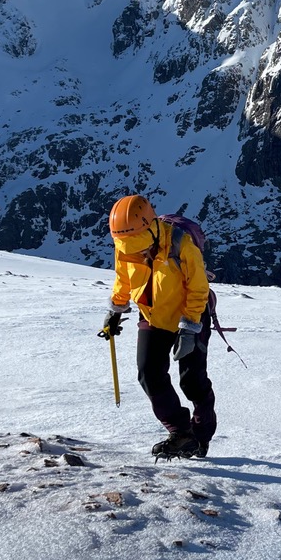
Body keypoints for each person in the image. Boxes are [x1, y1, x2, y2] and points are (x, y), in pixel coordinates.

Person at [101, 194, 217, 459]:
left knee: (192, 382)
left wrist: (189, 327)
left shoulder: (181, 244)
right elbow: (123, 279)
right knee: (149, 373)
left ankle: (201, 435)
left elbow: (198, 288)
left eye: (138, 243)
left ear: (151, 227)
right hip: (153, 317)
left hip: (191, 316)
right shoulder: (124, 246)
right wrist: (116, 310)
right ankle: (180, 433)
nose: (135, 250)